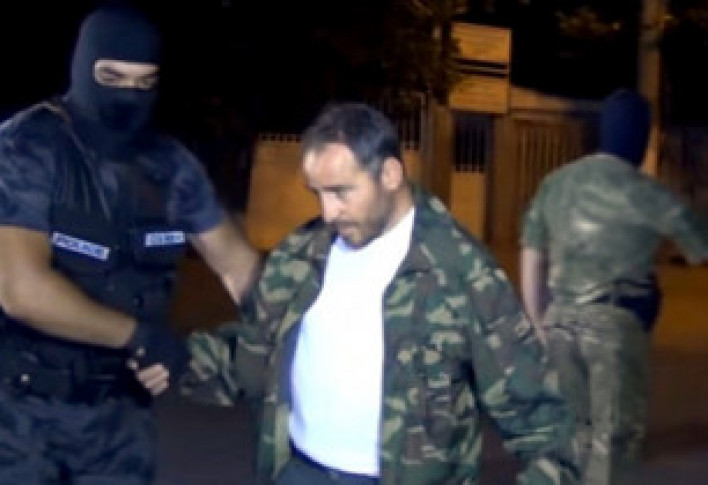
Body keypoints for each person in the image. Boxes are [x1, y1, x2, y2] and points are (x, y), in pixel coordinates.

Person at [181, 102, 578, 484]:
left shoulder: (461, 270)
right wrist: (166, 357)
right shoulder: (301, 253)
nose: (328, 212)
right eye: (318, 194)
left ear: (389, 174)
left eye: (341, 192)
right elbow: (254, 352)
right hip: (300, 472)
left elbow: (538, 416)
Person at [0, 4, 259, 484]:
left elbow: (237, 265)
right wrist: (140, 336)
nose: (127, 96)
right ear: (83, 68)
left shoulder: (170, 165)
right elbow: (21, 289)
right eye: (112, 78)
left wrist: (293, 323)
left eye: (144, 83)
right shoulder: (27, 146)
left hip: (120, 421)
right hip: (19, 418)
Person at [519, 89, 708, 484]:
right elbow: (699, 245)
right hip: (615, 326)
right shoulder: (645, 192)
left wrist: (538, 321)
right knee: (613, 443)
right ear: (642, 137)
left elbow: (532, 253)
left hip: (559, 321)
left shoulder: (557, 182)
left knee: (572, 435)